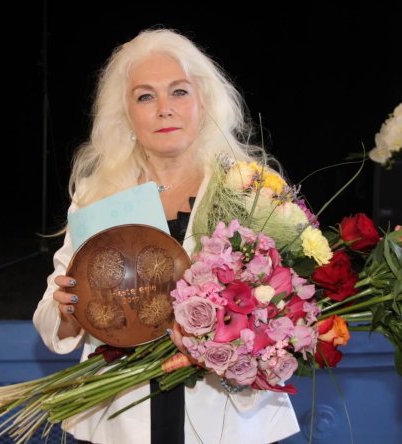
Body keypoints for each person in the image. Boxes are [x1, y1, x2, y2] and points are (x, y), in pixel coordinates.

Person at [33, 27, 300, 444]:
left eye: (179, 92)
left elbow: (286, 308)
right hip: (122, 416)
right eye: (145, 97)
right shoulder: (97, 197)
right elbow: (50, 318)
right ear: (125, 114)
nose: (164, 110)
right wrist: (69, 312)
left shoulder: (252, 191)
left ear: (204, 101)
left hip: (229, 418)